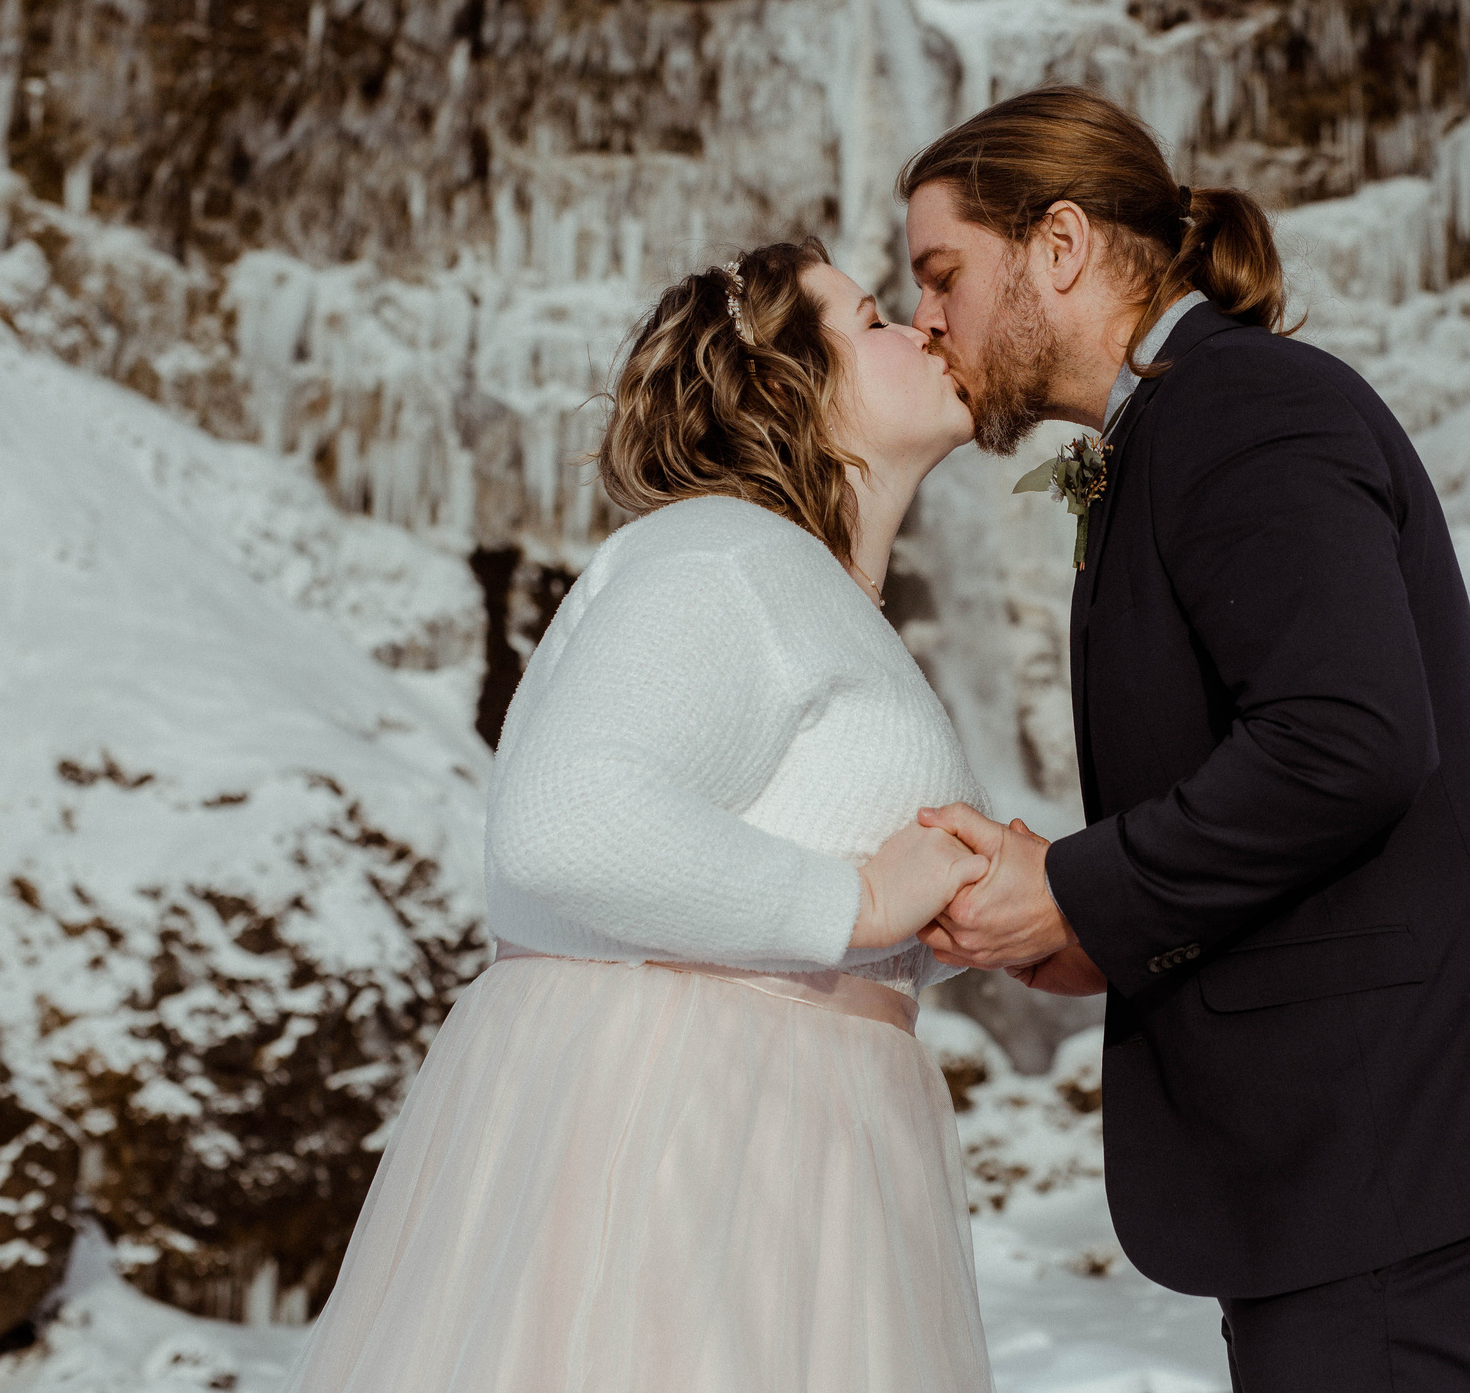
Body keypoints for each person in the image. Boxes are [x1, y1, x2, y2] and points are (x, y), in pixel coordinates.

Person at [901, 85, 1470, 1393]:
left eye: (942, 271)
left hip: (1405, 1174)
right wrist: (1104, 935)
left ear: (1060, 246)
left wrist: (1075, 883)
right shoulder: (1179, 426)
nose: (926, 318)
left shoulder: (1242, 409)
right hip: (1364, 1182)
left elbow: (1347, 739)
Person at [283, 240, 997, 1393]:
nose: (921, 327)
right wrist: (857, 901)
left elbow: (775, 866)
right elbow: (569, 823)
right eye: (872, 318)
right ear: (787, 385)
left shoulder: (802, 588)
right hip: (692, 1149)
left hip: (792, 1142)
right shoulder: (722, 555)